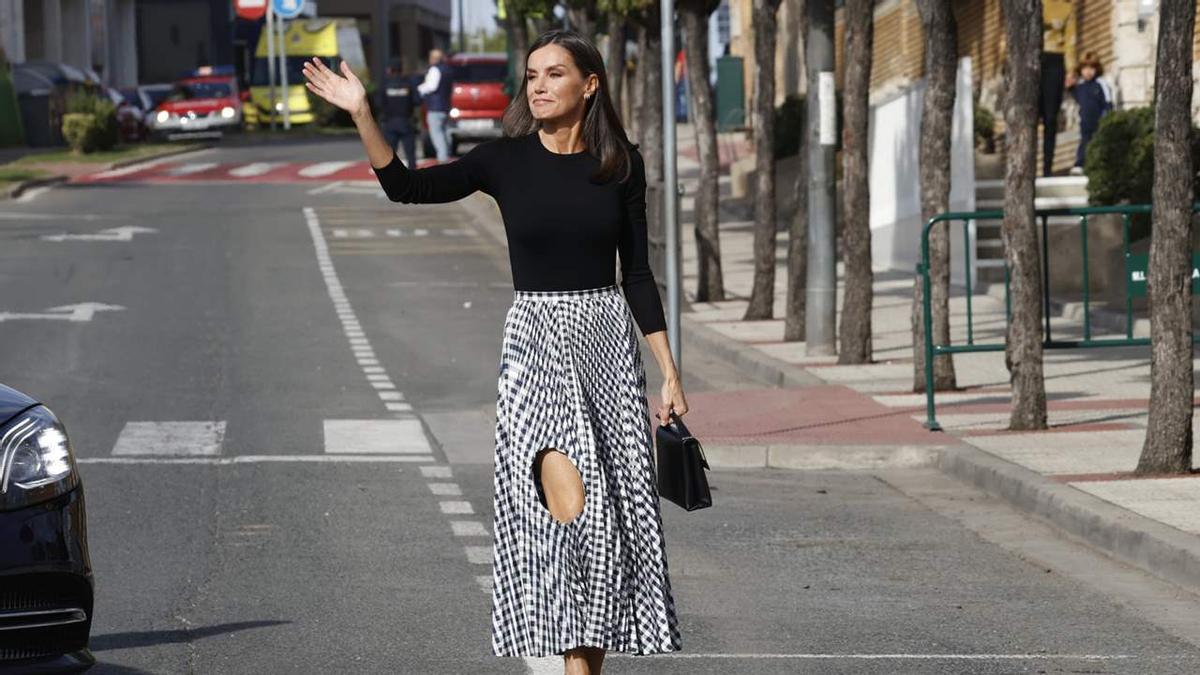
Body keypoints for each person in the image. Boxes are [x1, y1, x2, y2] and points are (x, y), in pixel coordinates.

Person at [301, 28, 685, 675]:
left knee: (609, 518)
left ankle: (581, 664)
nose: (538, 85)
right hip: (535, 347)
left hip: (606, 349)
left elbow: (638, 274)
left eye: (554, 74)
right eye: (531, 74)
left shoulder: (622, 164)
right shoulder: (502, 160)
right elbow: (405, 187)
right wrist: (363, 114)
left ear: (589, 85)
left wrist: (669, 371)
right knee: (570, 515)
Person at [1067, 53, 1114, 175]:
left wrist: (1107, 117)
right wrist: (1070, 87)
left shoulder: (1100, 84)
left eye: (1091, 68)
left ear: (1097, 69)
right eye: (1085, 69)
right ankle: (1080, 164)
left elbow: (1108, 101)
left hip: (1099, 121)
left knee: (1098, 143)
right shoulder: (1081, 86)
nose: (1088, 72)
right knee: (1084, 142)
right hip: (1085, 121)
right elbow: (1078, 98)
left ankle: (1099, 166)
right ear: (1081, 70)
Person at [417, 48, 454, 162]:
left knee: (437, 134)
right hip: (445, 107)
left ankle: (443, 159)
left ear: (433, 58)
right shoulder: (448, 70)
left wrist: (419, 89)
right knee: (445, 132)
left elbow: (431, 86)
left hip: (435, 107)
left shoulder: (434, 69)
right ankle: (447, 154)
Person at [381, 58, 419, 168]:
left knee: (390, 156)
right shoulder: (409, 83)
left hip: (390, 122)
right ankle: (413, 178)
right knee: (410, 154)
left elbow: (379, 103)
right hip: (406, 121)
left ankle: (391, 179)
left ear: (390, 70)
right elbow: (417, 100)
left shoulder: (385, 84)